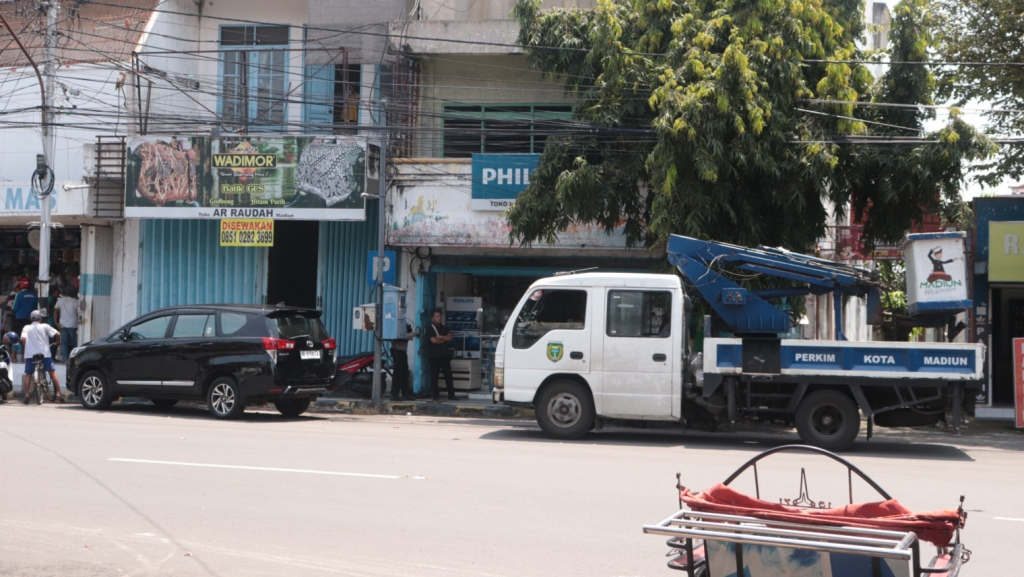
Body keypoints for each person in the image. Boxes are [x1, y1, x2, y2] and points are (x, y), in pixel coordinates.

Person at [20, 310, 62, 403]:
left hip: (30, 355)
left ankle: (27, 394)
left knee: (28, 374)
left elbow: (23, 339)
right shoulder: (45, 326)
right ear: (40, 318)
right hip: (45, 354)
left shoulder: (26, 327)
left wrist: (27, 347)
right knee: (52, 372)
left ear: (31, 319)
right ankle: (58, 393)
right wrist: (58, 342)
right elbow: (58, 334)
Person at [427, 309, 456, 401]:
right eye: (437, 317)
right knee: (434, 376)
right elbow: (434, 340)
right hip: (435, 356)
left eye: (440, 316)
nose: (439, 318)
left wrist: (440, 337)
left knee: (448, 376)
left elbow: (450, 337)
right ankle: (435, 395)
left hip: (445, 356)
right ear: (432, 318)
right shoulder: (430, 328)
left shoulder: (444, 328)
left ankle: (451, 395)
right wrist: (445, 339)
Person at [389, 321, 414, 401]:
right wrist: (410, 334)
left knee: (404, 373)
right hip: (397, 351)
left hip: (402, 351)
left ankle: (405, 393)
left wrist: (409, 333)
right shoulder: (394, 325)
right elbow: (400, 336)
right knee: (398, 373)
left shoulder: (404, 325)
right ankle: (394, 394)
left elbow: (410, 338)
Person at [55, 286, 79, 363]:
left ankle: (65, 359)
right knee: (75, 343)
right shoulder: (77, 301)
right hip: (74, 324)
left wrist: (56, 322)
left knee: (64, 343)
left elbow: (55, 311)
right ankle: (74, 359)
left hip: (63, 324)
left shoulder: (60, 301)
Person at [12, 277, 38, 342]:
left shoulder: (19, 294)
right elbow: (36, 307)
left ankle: (19, 351)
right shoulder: (35, 295)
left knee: (18, 336)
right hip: (31, 319)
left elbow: (15, 308)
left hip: (20, 319)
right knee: (29, 337)